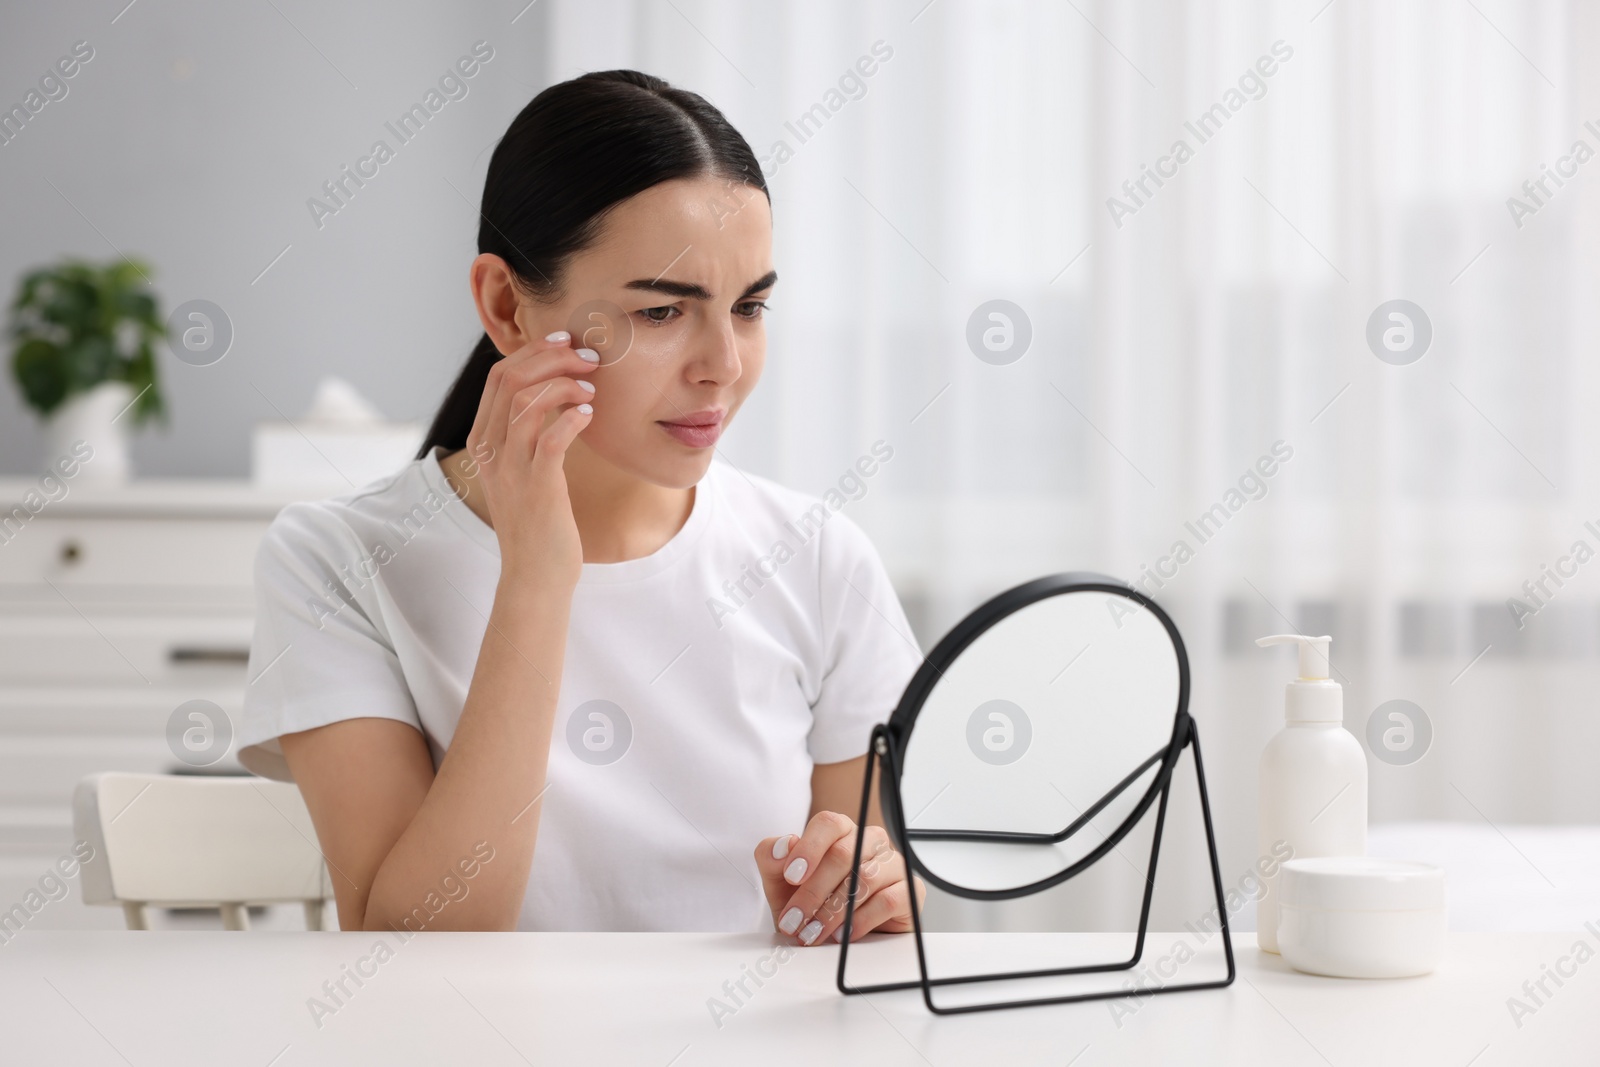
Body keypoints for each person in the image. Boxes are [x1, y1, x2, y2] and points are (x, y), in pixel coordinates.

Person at [237, 69, 925, 945]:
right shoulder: (334, 562)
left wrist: (870, 891)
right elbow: (415, 946)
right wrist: (536, 576)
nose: (723, 364)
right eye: (664, 310)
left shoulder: (819, 558)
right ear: (505, 306)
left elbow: (872, 910)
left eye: (750, 306)